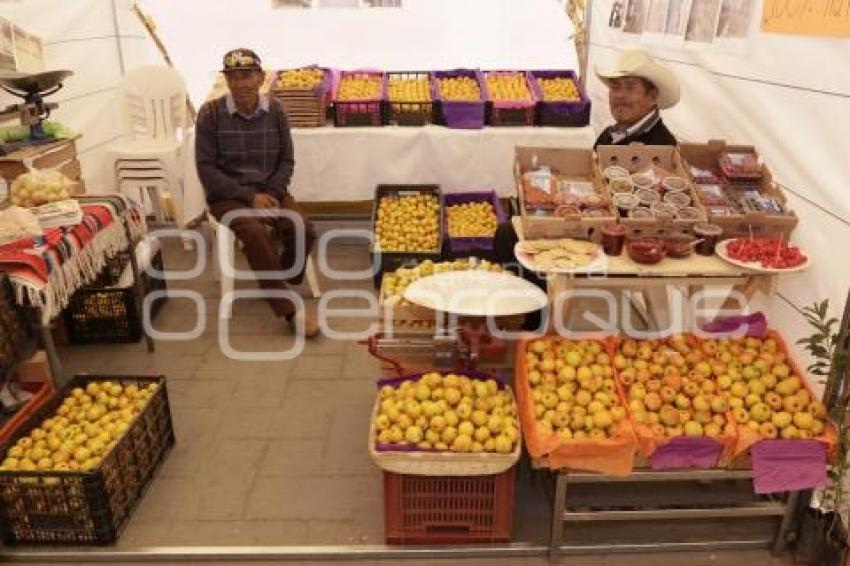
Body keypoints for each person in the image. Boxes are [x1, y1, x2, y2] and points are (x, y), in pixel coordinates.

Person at [493, 49, 681, 323]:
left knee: (511, 234)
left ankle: (536, 319)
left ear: (653, 96)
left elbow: (641, 208)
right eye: (615, 87)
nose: (618, 95)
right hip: (592, 219)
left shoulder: (660, 145)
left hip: (620, 235)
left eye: (630, 88)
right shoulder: (612, 133)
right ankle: (525, 310)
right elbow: (593, 183)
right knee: (514, 225)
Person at [196, 48, 319, 338]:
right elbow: (206, 170)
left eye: (247, 76)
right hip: (227, 196)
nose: (241, 84)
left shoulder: (276, 110)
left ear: (260, 77)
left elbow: (286, 160)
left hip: (270, 190)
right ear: (226, 80)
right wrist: (249, 199)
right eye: (233, 77)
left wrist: (272, 194)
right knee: (253, 232)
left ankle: (279, 273)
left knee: (304, 229)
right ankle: (290, 311)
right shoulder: (210, 114)